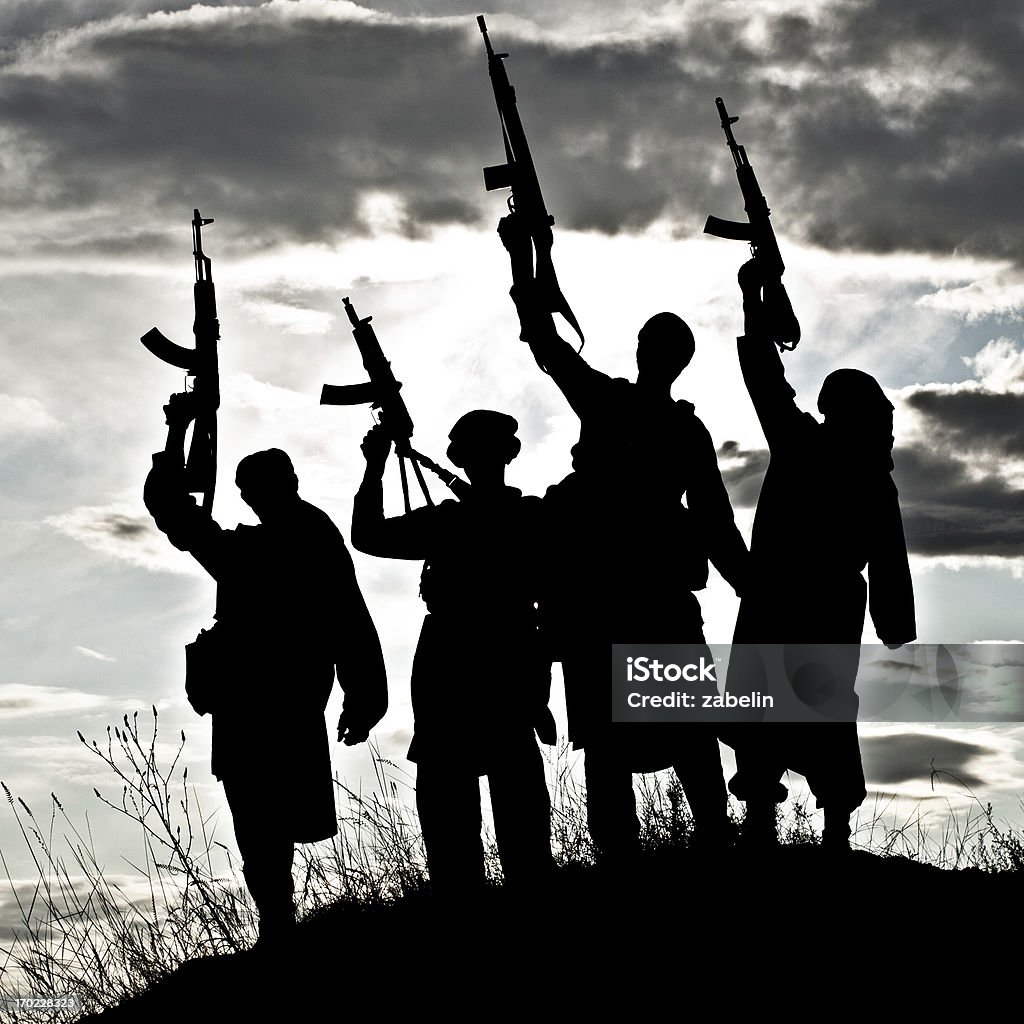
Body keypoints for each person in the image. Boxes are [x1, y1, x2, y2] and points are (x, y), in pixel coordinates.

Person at [498, 213, 749, 862]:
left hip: (639, 605)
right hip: (609, 606)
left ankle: (695, 856)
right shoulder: (632, 411)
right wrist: (526, 255)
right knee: (631, 751)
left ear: (658, 357)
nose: (650, 352)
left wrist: (523, 260)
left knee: (677, 745)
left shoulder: (641, 415)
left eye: (657, 345)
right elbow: (545, 343)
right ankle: (670, 861)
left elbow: (716, 522)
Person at [144, 392, 387, 943]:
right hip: (257, 702)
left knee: (265, 821)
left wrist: (365, 692)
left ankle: (278, 925)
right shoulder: (258, 547)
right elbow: (175, 513)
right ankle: (277, 924)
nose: (256, 499)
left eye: (261, 488)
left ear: (286, 484)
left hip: (278, 701)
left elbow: (346, 614)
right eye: (251, 490)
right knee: (258, 822)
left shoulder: (282, 544)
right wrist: (179, 433)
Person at [724, 258, 916, 850]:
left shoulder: (804, 443)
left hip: (790, 603)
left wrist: (755, 300)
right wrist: (754, 300)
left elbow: (763, 375)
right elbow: (889, 560)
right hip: (811, 605)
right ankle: (820, 828)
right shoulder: (860, 472)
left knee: (794, 720)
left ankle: (790, 827)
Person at [351, 411, 554, 896]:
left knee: (475, 822)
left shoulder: (482, 520)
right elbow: (369, 537)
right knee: (487, 818)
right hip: (491, 664)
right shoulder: (525, 518)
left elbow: (368, 535)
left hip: (467, 664)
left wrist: (374, 466)